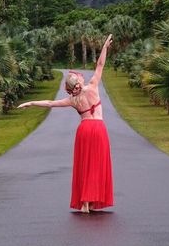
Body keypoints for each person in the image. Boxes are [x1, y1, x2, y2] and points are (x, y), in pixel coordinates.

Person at [17, 34, 114, 213]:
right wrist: (104, 48)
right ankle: (92, 201)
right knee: (97, 165)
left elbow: (50, 103)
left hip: (84, 130)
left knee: (84, 165)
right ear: (79, 82)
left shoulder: (72, 100)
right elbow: (100, 65)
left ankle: (85, 202)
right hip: (99, 129)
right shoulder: (92, 86)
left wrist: (30, 103)